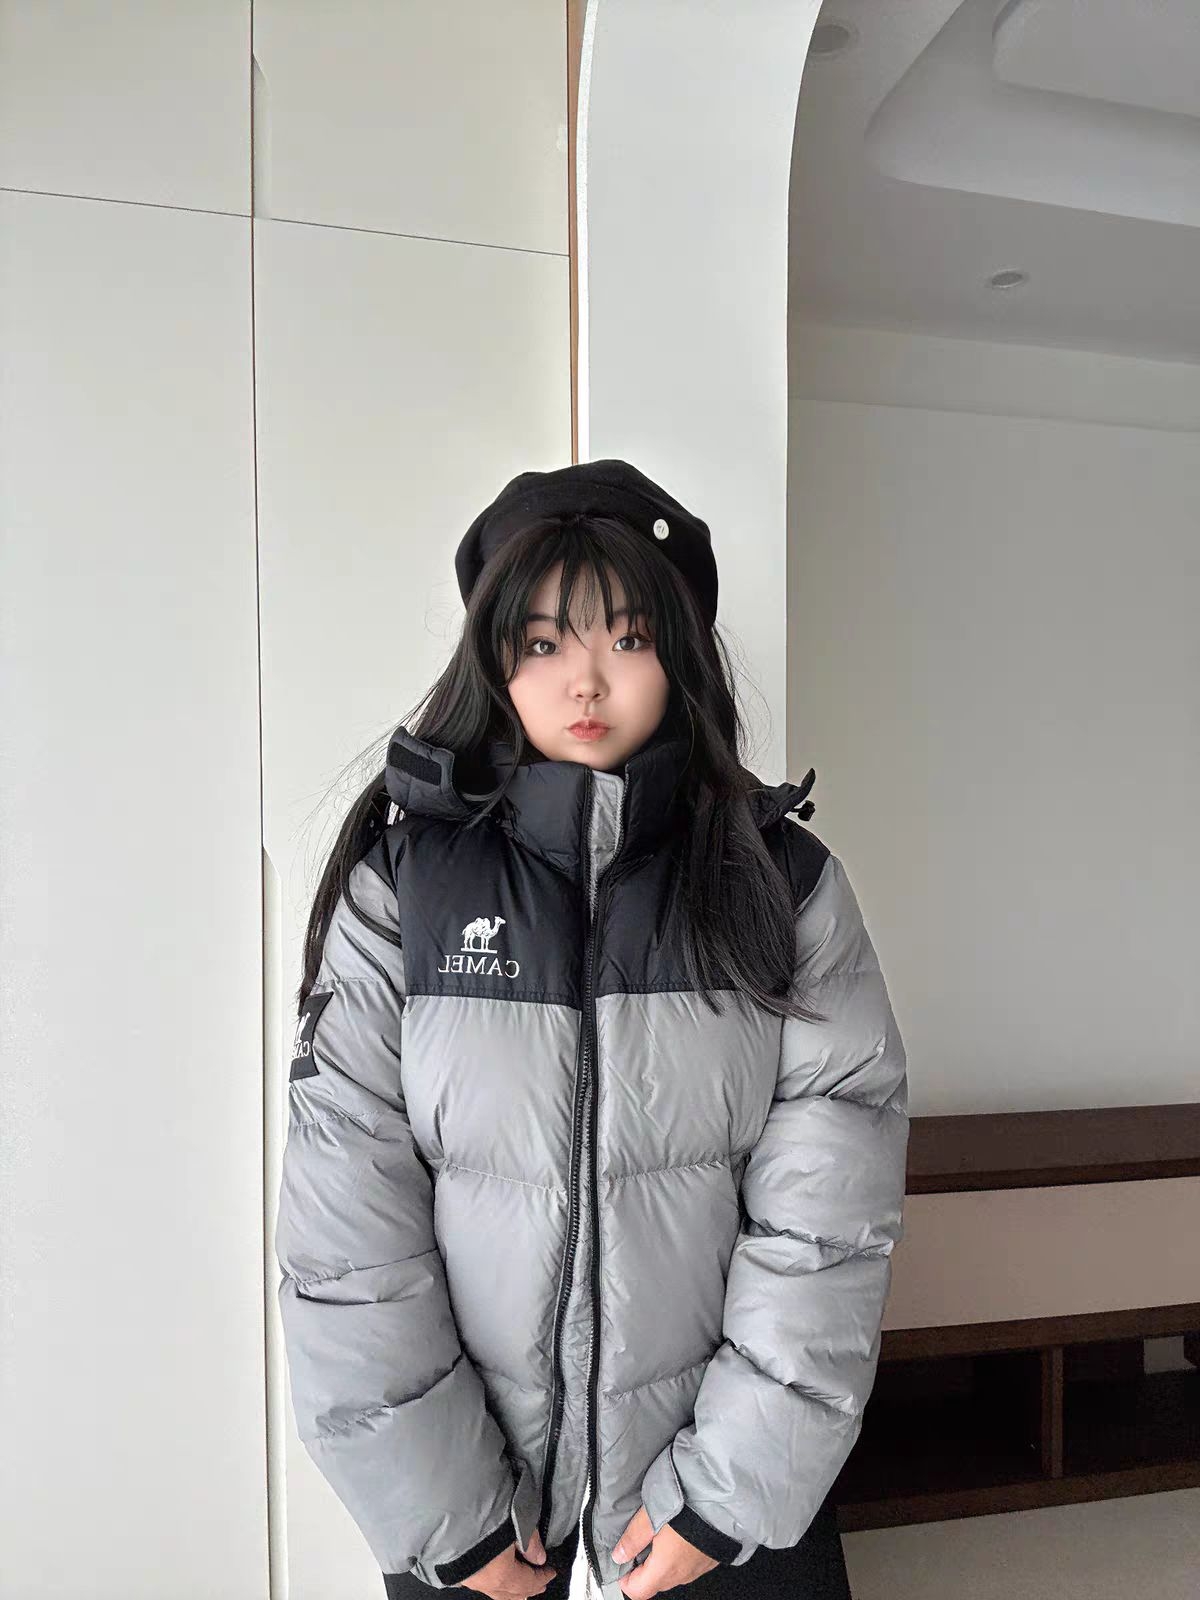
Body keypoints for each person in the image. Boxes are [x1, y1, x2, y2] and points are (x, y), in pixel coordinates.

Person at [274, 460, 909, 1600]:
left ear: (681, 654)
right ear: (494, 662)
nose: (586, 679)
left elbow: (827, 1220)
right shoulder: (404, 886)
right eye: (541, 642)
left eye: (627, 637)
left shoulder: (784, 886)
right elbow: (346, 1222)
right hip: (469, 1485)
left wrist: (728, 1489)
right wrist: (445, 1510)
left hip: (723, 1480)